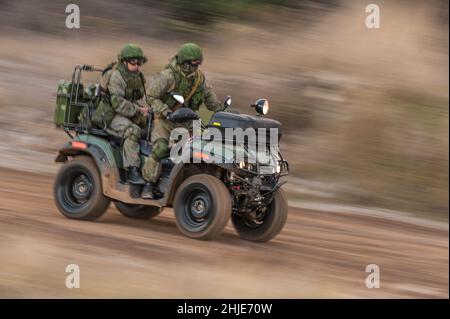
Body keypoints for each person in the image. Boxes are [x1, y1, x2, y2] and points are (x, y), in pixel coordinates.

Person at [141, 43, 224, 198]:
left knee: (201, 149)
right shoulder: (167, 76)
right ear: (185, 62)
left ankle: (192, 184)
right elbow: (151, 97)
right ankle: (148, 184)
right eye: (194, 64)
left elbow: (210, 99)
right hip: (165, 120)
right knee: (160, 148)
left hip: (187, 121)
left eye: (199, 64)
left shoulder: (199, 78)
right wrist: (165, 110)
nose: (196, 67)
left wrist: (222, 111)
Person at [92, 43, 150, 184]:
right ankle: (132, 171)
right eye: (133, 63)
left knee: (152, 126)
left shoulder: (137, 77)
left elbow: (143, 97)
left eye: (139, 63)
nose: (137, 66)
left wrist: (149, 109)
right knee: (133, 131)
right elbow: (118, 103)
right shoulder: (117, 76)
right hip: (110, 114)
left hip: (126, 112)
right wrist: (137, 110)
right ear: (124, 62)